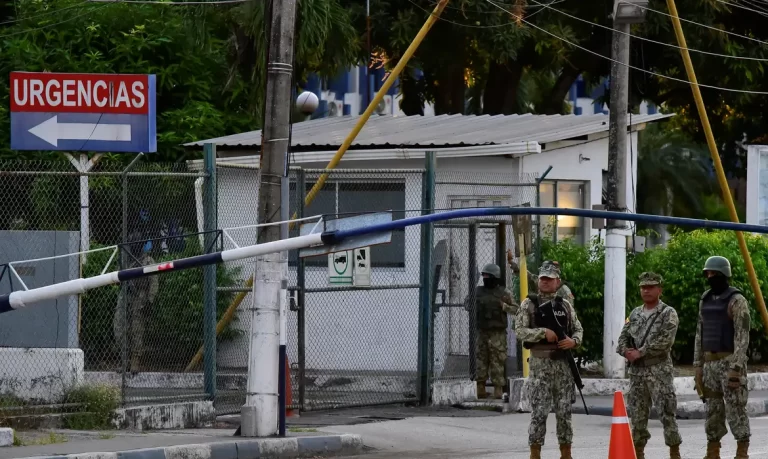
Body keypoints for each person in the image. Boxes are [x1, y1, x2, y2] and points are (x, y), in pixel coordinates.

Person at [515, 261, 583, 459]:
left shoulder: (565, 305)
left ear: (557, 282)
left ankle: (566, 453)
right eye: (543, 278)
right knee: (539, 412)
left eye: (550, 279)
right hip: (540, 366)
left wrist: (574, 341)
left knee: (564, 413)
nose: (545, 282)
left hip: (563, 366)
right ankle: (535, 453)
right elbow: (519, 331)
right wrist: (542, 332)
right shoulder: (529, 304)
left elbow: (578, 328)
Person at [616, 272, 682, 459]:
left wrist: (641, 351)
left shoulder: (668, 313)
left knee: (667, 413)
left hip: (659, 370)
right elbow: (623, 337)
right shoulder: (635, 313)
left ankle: (674, 452)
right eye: (643, 287)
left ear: (659, 290)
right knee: (637, 416)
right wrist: (625, 351)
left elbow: (665, 341)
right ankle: (638, 453)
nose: (646, 290)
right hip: (637, 373)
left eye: (651, 287)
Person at [694, 256, 751, 459]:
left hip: (729, 363)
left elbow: (742, 337)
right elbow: (700, 334)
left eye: (714, 274)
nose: (710, 277)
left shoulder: (737, 300)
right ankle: (713, 452)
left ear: (724, 274)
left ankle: (741, 453)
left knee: (736, 409)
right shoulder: (705, 299)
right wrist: (697, 365)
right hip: (709, 364)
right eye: (708, 273)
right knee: (713, 411)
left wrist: (735, 367)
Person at [467, 263, 517, 399]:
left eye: (488, 276)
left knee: (497, 360)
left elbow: (517, 309)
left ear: (495, 277)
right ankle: (480, 389)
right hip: (482, 331)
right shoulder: (478, 291)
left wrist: (504, 306)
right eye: (484, 275)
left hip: (497, 333)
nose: (485, 278)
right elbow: (467, 304)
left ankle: (498, 390)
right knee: (481, 360)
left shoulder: (504, 293)